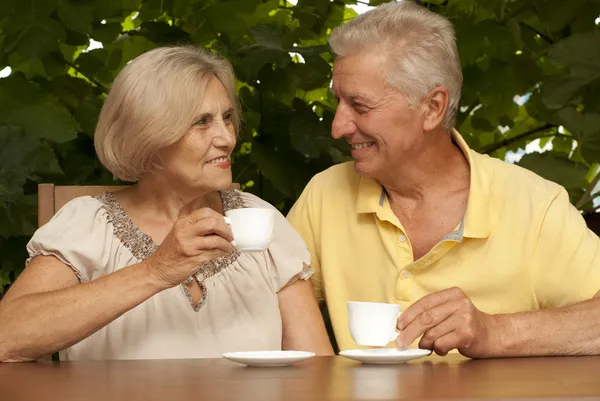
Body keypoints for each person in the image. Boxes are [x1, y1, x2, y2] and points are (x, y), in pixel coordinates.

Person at [287, 1, 600, 358]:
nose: (338, 127)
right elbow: (260, 306)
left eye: (359, 106)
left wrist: (496, 331)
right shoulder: (325, 195)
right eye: (338, 102)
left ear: (433, 107)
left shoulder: (534, 204)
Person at [0, 46, 333, 362]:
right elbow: (6, 337)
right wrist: (156, 270)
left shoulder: (258, 219)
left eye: (227, 117)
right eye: (202, 121)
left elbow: (317, 370)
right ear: (148, 135)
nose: (227, 138)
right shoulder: (89, 223)